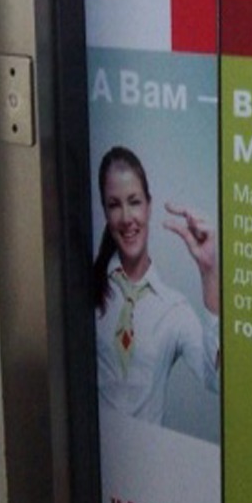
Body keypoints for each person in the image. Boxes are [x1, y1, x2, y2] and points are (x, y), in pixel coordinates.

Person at [92, 146, 220, 427]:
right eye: (114, 205)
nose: (126, 217)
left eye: (134, 202)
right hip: (95, 446)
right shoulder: (88, 289)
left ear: (149, 206)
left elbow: (218, 380)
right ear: (105, 212)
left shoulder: (173, 309)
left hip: (149, 449)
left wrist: (209, 272)